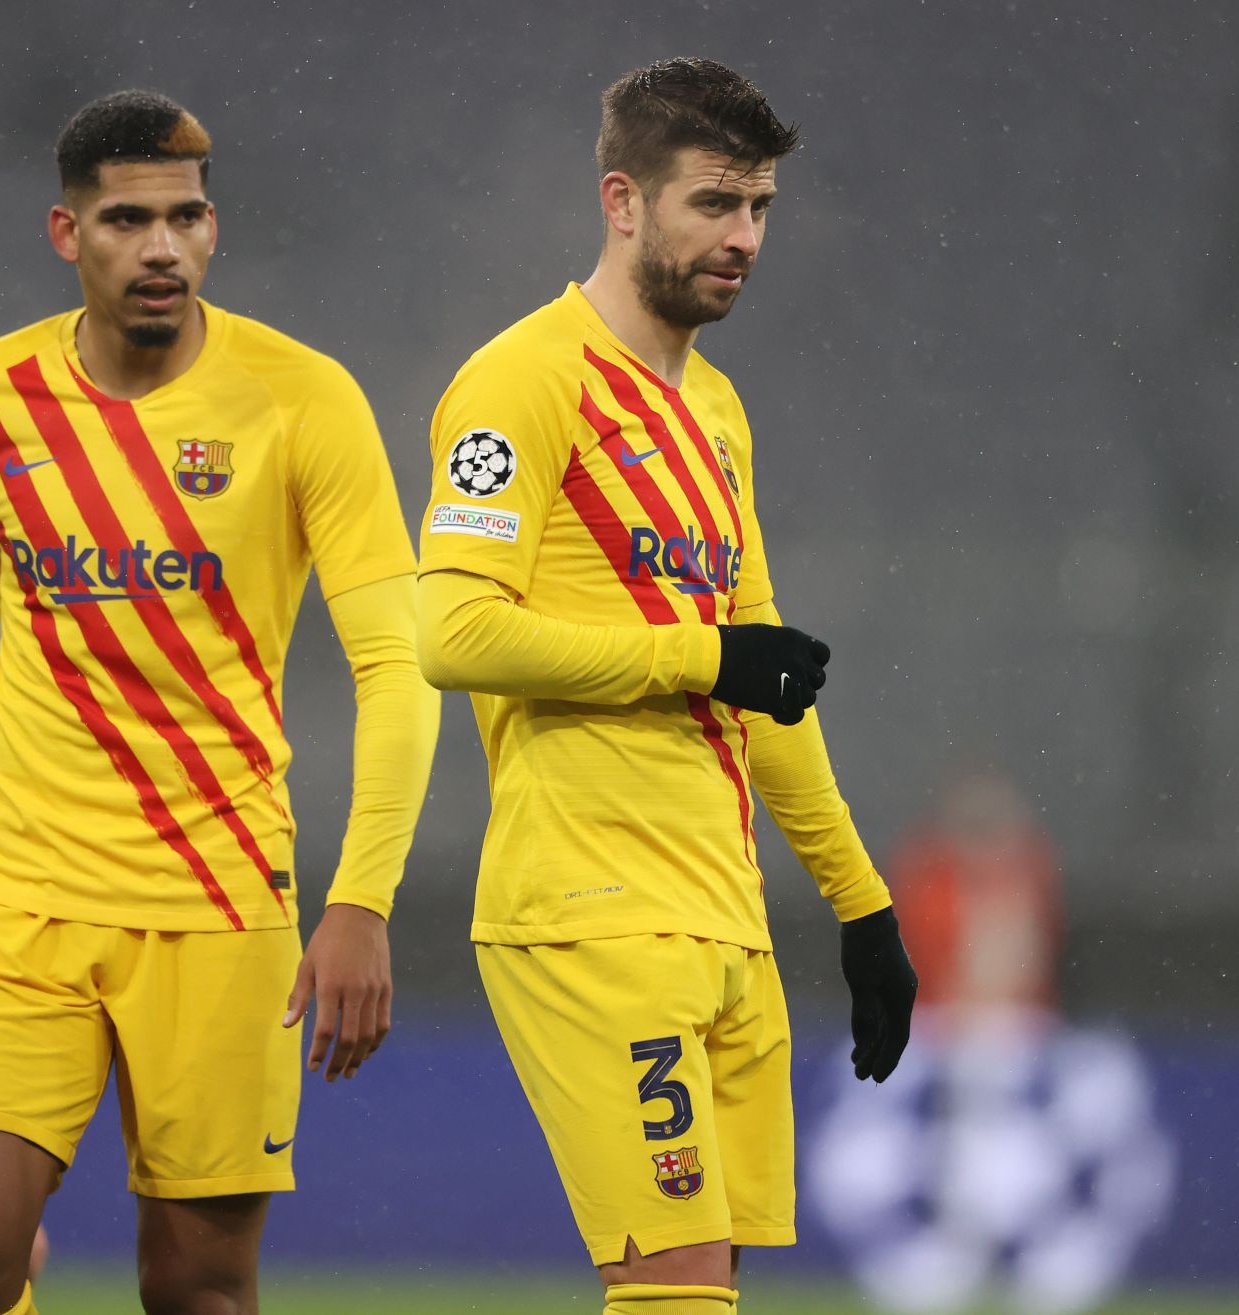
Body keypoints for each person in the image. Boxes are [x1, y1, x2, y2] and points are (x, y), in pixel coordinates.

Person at [0, 90, 438, 1315]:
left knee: (201, 1291)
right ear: (68, 235)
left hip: (218, 899)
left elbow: (397, 661)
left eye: (187, 217)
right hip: (17, 894)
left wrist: (362, 898)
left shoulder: (304, 399)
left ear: (213, 229)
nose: (162, 247)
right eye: (127, 220)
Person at [415, 58, 918, 1315]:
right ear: (623, 201)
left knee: (708, 1287)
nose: (742, 238)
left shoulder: (721, 412)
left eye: (758, 209)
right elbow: (453, 631)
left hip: (722, 914)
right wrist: (698, 657)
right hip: (588, 905)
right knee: (675, 1288)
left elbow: (770, 679)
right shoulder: (520, 381)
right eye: (712, 203)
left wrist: (862, 908)